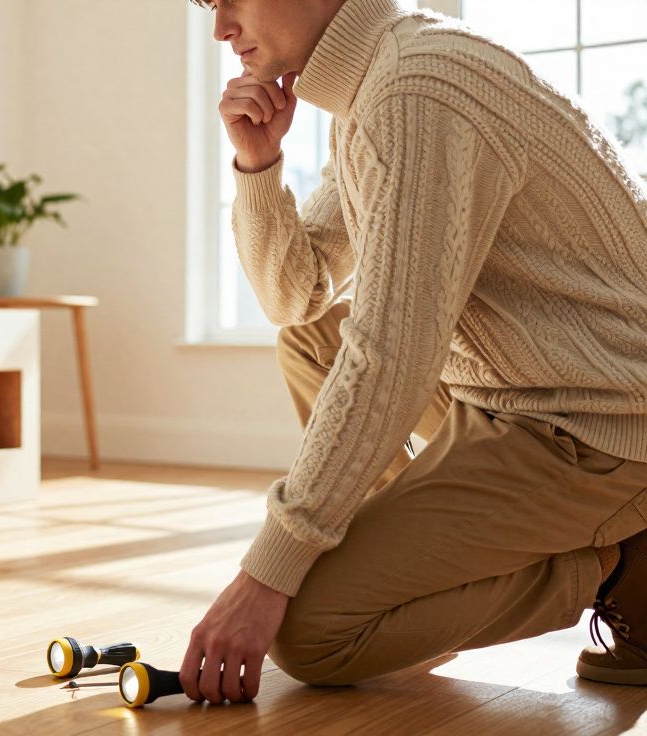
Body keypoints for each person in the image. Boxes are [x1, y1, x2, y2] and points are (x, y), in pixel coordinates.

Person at [179, 0, 647, 706]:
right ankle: (405, 572)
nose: (220, 28)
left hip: (600, 420)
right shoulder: (378, 84)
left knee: (311, 633)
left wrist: (269, 571)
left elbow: (390, 357)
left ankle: (623, 565)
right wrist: (258, 165)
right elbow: (296, 297)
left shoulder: (418, 90)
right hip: (518, 387)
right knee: (312, 340)